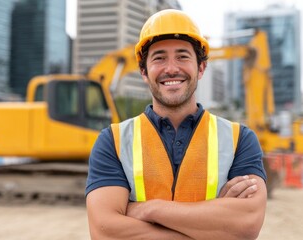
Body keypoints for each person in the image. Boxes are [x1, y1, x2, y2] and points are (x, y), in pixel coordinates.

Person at [86, 9, 267, 240]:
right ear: (144, 71)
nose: (171, 68)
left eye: (182, 56)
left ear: (201, 68)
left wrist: (148, 209)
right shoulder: (113, 141)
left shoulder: (239, 139)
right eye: (159, 57)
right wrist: (214, 224)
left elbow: (247, 224)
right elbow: (106, 233)